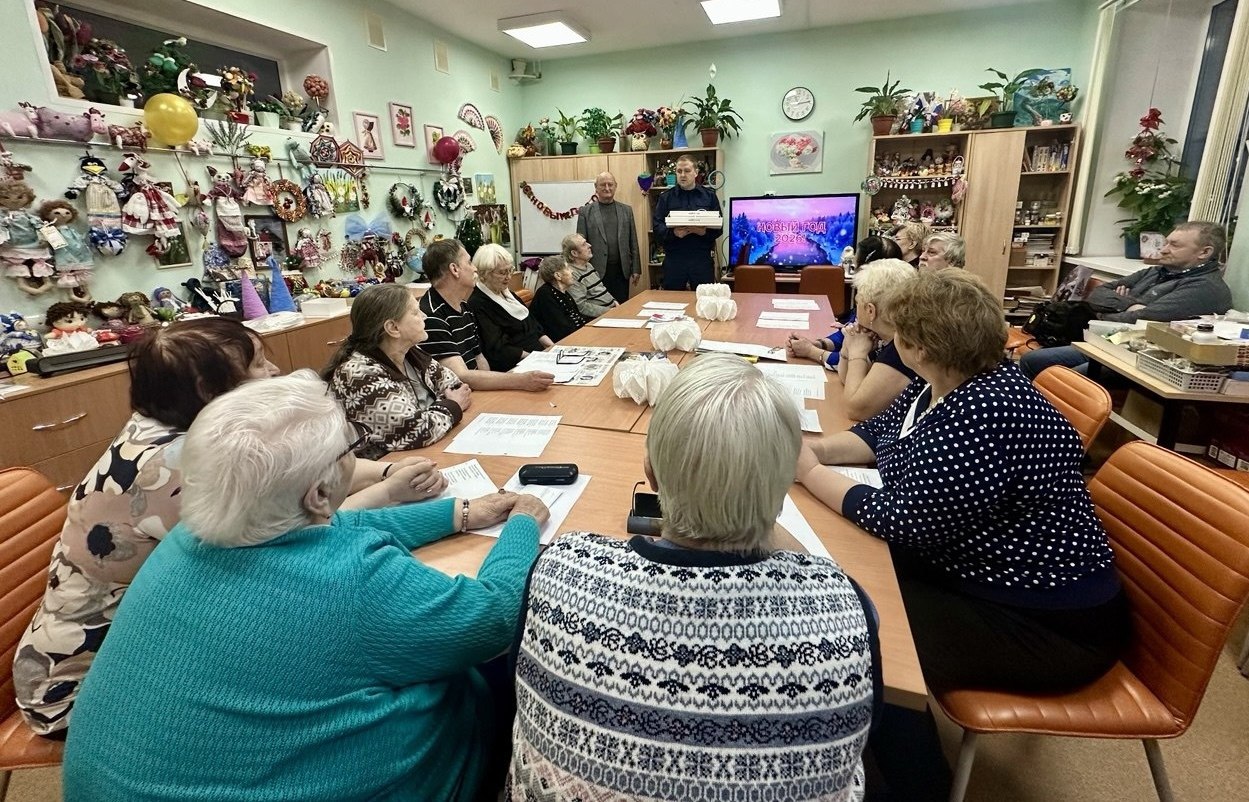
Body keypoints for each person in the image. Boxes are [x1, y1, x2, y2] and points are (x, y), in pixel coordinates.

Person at [63, 372, 550, 801]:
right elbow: (497, 615)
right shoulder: (352, 581)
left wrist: (460, 513)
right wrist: (521, 526)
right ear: (318, 493)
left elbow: (336, 526)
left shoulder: (190, 536)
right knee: (499, 671)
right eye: (348, 447)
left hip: (118, 781)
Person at [14, 318, 448, 737]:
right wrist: (389, 493)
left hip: (143, 647)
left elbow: (297, 469)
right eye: (258, 364)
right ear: (208, 390)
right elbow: (304, 532)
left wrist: (386, 471)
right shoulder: (173, 467)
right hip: (85, 690)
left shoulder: (167, 429)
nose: (275, 371)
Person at [797, 271, 1129, 799]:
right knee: (850, 589)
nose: (889, 343)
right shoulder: (951, 382)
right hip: (987, 578)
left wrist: (808, 473)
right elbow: (878, 435)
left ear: (920, 348)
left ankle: (916, 784)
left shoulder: (985, 412)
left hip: (1045, 623)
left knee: (862, 633)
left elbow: (904, 523)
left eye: (897, 336)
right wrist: (813, 449)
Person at [509, 354, 879, 801]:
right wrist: (757, 506)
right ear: (787, 485)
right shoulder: (845, 610)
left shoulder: (558, 566)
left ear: (650, 474)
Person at [1020, 221, 1233, 378]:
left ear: (1204, 252)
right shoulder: (1155, 272)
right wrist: (1131, 304)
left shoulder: (1205, 288)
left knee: (1063, 380)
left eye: (1175, 245)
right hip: (1110, 343)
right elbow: (1098, 294)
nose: (1164, 249)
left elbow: (1143, 320)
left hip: (1143, 360)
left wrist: (1121, 309)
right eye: (1166, 242)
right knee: (1032, 360)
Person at [325, 283, 471, 456]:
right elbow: (415, 431)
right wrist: (451, 406)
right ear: (393, 328)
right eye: (416, 312)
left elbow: (456, 387)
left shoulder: (410, 354)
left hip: (421, 453)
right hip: (382, 469)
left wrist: (434, 413)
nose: (424, 316)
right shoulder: (358, 373)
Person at [789, 259, 919, 421]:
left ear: (870, 311)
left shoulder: (901, 349)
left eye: (857, 303)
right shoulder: (883, 337)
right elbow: (848, 379)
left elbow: (855, 409)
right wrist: (847, 346)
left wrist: (858, 352)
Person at [418, 238, 554, 391]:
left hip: (477, 392)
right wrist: (522, 380)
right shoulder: (431, 316)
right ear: (454, 269)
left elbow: (479, 358)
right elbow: (460, 376)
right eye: (469, 262)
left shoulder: (463, 306)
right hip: (458, 397)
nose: (475, 268)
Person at [785, 236, 904, 370]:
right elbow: (846, 335)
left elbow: (846, 363)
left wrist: (811, 351)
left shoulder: (881, 322)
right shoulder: (873, 306)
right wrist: (818, 344)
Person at [466, 243, 553, 371]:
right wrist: (537, 360)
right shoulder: (478, 304)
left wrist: (552, 349)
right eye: (502, 273)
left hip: (537, 358)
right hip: (515, 366)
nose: (508, 277)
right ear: (484, 274)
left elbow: (535, 328)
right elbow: (499, 348)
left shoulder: (508, 294)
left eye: (510, 270)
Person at [652, 154, 722, 290]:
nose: (682, 175)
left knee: (704, 302)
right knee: (672, 301)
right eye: (679, 171)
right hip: (674, 259)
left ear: (696, 172)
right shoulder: (666, 198)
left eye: (687, 171)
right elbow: (657, 227)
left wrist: (703, 232)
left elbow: (719, 228)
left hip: (701, 259)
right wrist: (674, 233)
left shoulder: (710, 196)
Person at [576, 171, 641, 303]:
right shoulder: (585, 212)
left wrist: (636, 268)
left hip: (621, 271)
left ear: (615, 186)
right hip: (595, 271)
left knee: (622, 307)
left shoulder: (626, 210)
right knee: (600, 307)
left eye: (610, 184)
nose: (607, 188)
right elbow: (579, 244)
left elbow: (633, 241)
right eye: (602, 185)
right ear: (596, 187)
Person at [529, 254, 588, 342]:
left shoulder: (563, 292)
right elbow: (561, 329)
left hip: (574, 336)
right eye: (568, 268)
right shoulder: (545, 295)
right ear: (558, 276)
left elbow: (577, 317)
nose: (572, 271)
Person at [561, 232, 617, 318]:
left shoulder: (588, 265)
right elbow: (581, 306)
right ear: (574, 253)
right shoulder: (572, 274)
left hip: (612, 310)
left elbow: (601, 289)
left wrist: (614, 302)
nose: (589, 245)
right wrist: (609, 311)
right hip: (599, 317)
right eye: (584, 244)